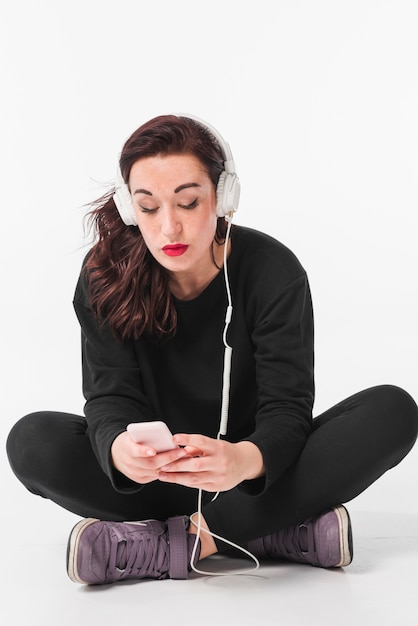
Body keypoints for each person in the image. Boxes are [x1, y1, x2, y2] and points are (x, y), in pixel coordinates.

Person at [6, 114, 418, 585]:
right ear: (128, 209)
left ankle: (181, 542)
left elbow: (287, 410)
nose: (168, 229)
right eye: (148, 208)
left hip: (251, 476)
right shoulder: (106, 274)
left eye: (187, 202)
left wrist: (243, 460)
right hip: (158, 482)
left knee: (393, 410)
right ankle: (265, 533)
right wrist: (121, 451)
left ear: (223, 198)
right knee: (31, 442)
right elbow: (108, 396)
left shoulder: (273, 273)